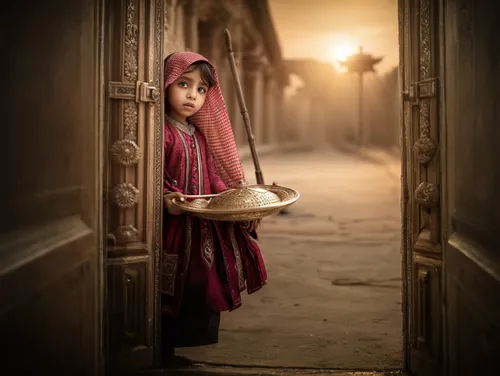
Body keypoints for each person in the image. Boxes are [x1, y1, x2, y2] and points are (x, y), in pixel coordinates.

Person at [161, 51, 267, 364]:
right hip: (173, 229)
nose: (192, 94)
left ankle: (179, 344)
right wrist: (168, 198)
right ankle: (160, 347)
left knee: (200, 283)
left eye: (201, 89)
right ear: (165, 84)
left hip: (201, 229)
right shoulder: (162, 134)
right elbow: (156, 177)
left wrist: (237, 203)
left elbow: (214, 180)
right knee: (170, 287)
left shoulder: (200, 137)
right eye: (183, 84)